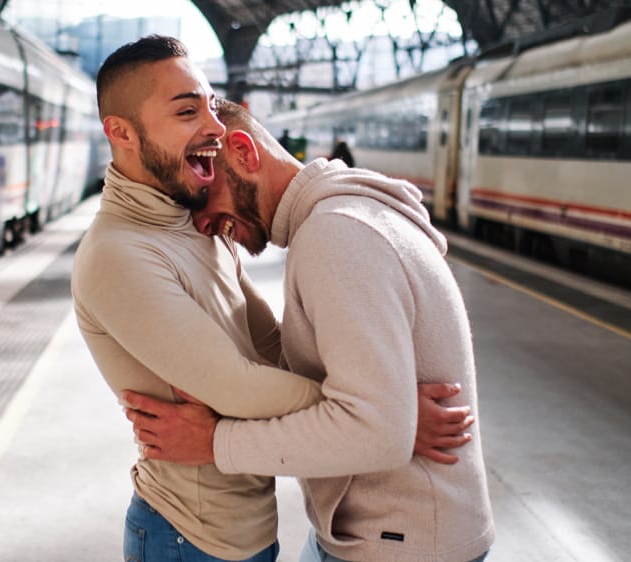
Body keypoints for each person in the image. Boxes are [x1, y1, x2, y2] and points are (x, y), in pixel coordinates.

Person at [72, 35, 474, 562]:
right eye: (188, 110)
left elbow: (270, 347)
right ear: (120, 132)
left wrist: (379, 412)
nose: (214, 126)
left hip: (248, 528)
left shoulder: (192, 227)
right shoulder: (116, 253)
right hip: (186, 535)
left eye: (213, 109)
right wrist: (382, 415)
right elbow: (238, 387)